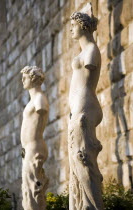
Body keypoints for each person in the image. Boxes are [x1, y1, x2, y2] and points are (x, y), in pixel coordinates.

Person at [68, 3, 104, 210]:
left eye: (74, 24)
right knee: (77, 161)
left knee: (83, 159)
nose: (71, 28)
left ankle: (92, 205)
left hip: (85, 106)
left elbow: (88, 72)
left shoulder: (91, 50)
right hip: (78, 107)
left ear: (83, 26)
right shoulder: (85, 51)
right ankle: (82, 204)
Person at [20, 66, 49, 210]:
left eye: (24, 77)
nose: (22, 80)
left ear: (33, 78)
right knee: (28, 190)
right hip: (28, 150)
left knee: (33, 189)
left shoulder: (39, 99)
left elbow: (42, 110)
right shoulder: (34, 100)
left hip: (34, 148)